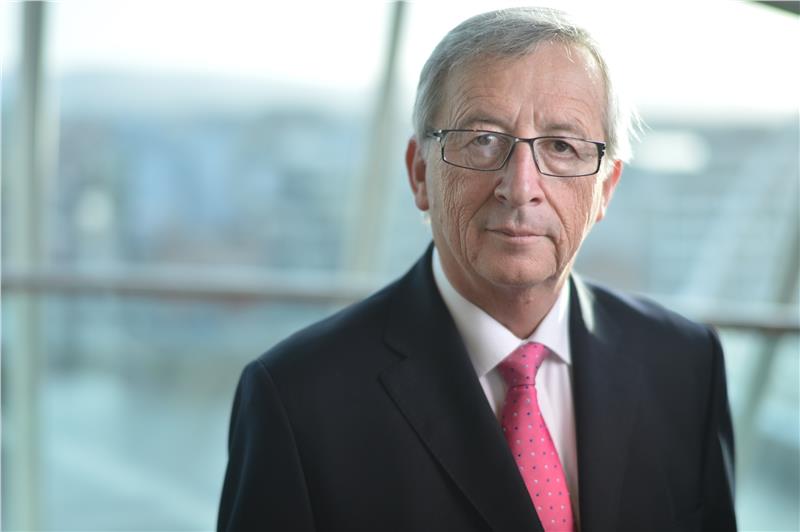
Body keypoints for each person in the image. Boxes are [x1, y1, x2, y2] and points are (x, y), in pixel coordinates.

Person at [217, 7, 737, 532]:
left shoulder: (686, 366)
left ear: (606, 188)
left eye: (561, 146)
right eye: (484, 140)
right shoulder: (298, 399)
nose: (521, 187)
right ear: (420, 174)